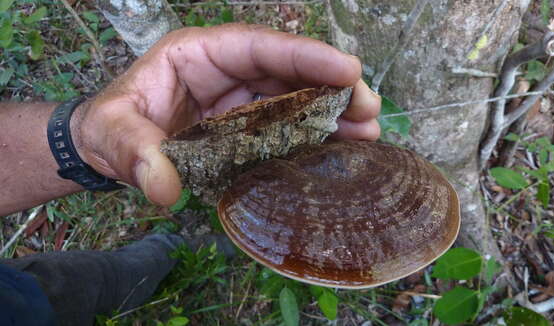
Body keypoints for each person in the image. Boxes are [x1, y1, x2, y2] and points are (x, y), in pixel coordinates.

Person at [0, 24, 381, 325]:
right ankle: (163, 256)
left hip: (22, 292)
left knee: (92, 283)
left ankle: (162, 255)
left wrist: (81, 138)